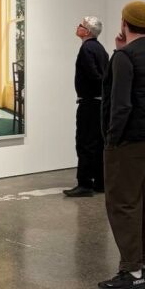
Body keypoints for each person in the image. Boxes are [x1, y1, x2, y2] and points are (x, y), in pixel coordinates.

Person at [97, 1, 145, 289]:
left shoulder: (125, 57)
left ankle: (131, 272)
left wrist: (112, 138)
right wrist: (117, 50)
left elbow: (121, 104)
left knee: (123, 203)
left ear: (124, 22)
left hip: (129, 141)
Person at [64, 16, 109, 197]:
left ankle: (84, 184)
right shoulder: (100, 49)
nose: (78, 26)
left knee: (84, 142)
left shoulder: (86, 49)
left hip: (89, 103)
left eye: (81, 25)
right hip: (99, 103)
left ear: (87, 31)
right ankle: (100, 182)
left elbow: (94, 75)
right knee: (98, 143)